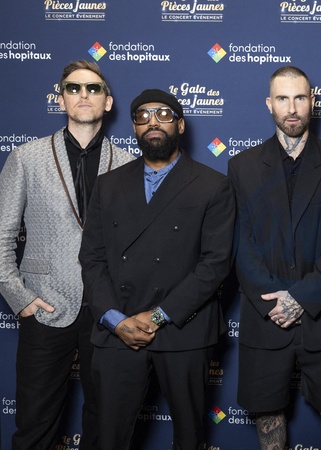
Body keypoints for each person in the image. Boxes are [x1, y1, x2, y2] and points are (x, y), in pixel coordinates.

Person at [78, 88, 234, 450]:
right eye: (143, 116)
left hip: (184, 329)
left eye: (163, 115)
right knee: (108, 436)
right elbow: (92, 258)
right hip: (119, 327)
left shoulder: (213, 185)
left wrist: (159, 315)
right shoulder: (108, 184)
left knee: (189, 437)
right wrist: (115, 320)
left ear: (180, 125)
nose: (153, 122)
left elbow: (215, 264)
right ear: (134, 128)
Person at [0, 60, 135, 449]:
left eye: (93, 88)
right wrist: (21, 298)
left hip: (107, 312)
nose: (83, 95)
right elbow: (2, 234)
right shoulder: (26, 157)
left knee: (105, 425)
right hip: (45, 306)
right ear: (61, 99)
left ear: (108, 101)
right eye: (73, 88)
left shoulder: (128, 164)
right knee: (35, 425)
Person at [228, 66, 321, 449]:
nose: (291, 108)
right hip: (265, 314)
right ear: (269, 104)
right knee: (268, 416)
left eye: (300, 98)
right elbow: (239, 242)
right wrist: (275, 301)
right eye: (283, 98)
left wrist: (301, 297)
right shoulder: (242, 167)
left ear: (312, 102)